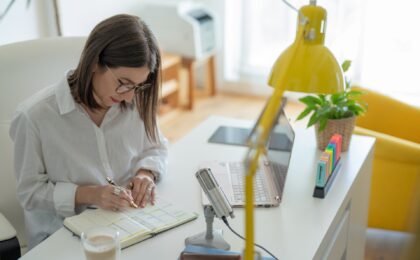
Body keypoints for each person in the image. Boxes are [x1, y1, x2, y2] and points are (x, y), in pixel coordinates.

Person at [9, 14, 168, 249]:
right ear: (95, 62)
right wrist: (91, 194)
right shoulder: (34, 117)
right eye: (123, 82)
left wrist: (145, 174)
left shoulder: (133, 101)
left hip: (125, 224)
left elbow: (157, 145)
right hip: (61, 237)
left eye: (137, 86)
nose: (129, 96)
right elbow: (30, 193)